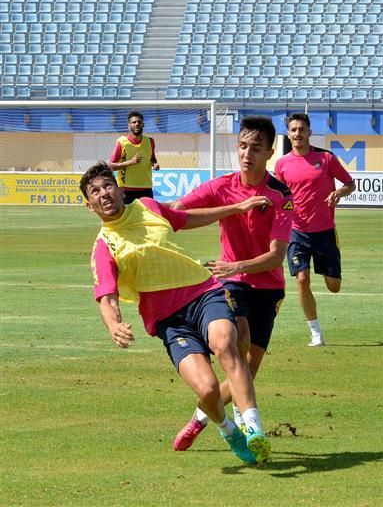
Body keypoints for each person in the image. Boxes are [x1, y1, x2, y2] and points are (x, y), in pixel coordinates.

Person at [80, 161, 276, 465]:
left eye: (107, 186)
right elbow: (106, 297)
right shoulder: (104, 246)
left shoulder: (147, 206)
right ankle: (228, 430)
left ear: (119, 190)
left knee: (225, 345)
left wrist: (236, 208)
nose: (103, 193)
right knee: (208, 388)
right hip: (169, 321)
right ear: (90, 205)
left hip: (202, 292)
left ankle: (254, 428)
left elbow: (187, 218)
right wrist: (113, 325)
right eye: (95, 191)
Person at [170, 115, 294, 454]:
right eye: (241, 146)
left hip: (268, 287)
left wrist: (236, 264)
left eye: (255, 148)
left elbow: (275, 257)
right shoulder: (220, 186)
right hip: (232, 282)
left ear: (269, 152)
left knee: (247, 371)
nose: (246, 154)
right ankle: (249, 426)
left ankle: (199, 419)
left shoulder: (281, 195)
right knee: (237, 341)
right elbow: (178, 210)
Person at [274, 113, 356, 347]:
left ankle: (330, 270)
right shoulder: (282, 164)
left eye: (302, 129)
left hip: (325, 231)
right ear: (288, 134)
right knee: (302, 279)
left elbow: (350, 184)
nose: (297, 134)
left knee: (334, 287)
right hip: (296, 231)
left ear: (309, 132)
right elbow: (279, 196)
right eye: (293, 130)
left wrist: (338, 193)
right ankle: (315, 333)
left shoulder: (326, 158)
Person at [109, 110, 160, 204]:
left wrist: (155, 164)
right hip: (126, 189)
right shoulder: (121, 142)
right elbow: (111, 166)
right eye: (134, 122)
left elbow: (152, 159)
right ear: (129, 125)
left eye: (139, 122)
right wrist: (130, 162)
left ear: (143, 125)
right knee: (127, 218)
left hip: (146, 188)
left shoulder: (150, 141)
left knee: (148, 218)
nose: (137, 124)